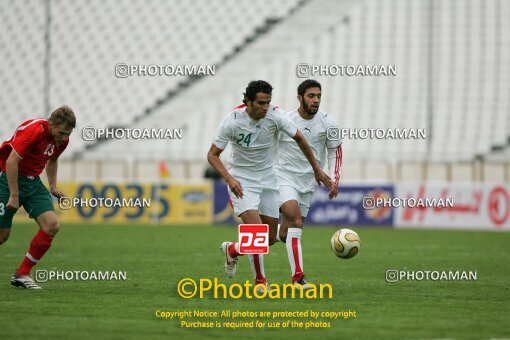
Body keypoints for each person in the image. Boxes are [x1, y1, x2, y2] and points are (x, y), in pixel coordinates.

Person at [207, 80, 331, 291]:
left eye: (268, 102)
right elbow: (212, 155)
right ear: (248, 101)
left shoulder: (276, 115)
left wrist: (317, 168)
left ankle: (233, 250)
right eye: (261, 103)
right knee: (256, 232)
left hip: (269, 178)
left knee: (269, 239)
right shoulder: (232, 121)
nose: (265, 107)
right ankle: (260, 282)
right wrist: (229, 179)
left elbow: (300, 138)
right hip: (242, 181)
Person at [274, 79, 342, 289]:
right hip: (283, 178)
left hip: (308, 183)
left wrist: (334, 178)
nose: (316, 100)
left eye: (319, 96)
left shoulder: (328, 122)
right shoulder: (286, 120)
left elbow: (335, 150)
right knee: (296, 222)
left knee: (285, 234)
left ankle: (234, 249)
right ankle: (298, 279)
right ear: (300, 98)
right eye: (311, 96)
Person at [0, 106, 76, 289]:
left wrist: (53, 186)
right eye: (61, 132)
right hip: (7, 180)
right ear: (51, 124)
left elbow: (53, 160)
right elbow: (11, 161)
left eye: (68, 133)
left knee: (52, 226)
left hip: (33, 184)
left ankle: (22, 274)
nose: (64, 138)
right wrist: (14, 194)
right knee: (2, 236)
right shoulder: (34, 131)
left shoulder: (62, 140)